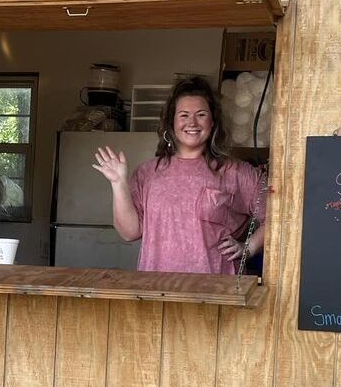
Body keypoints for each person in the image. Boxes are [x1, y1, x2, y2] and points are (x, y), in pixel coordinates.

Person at [92, 76, 266, 274]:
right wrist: (118, 183)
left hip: (216, 287)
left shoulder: (235, 172)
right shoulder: (148, 173)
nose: (192, 122)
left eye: (201, 114)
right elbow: (130, 232)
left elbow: (279, 215)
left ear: (213, 122)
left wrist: (249, 248)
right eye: (184, 115)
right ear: (171, 123)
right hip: (156, 286)